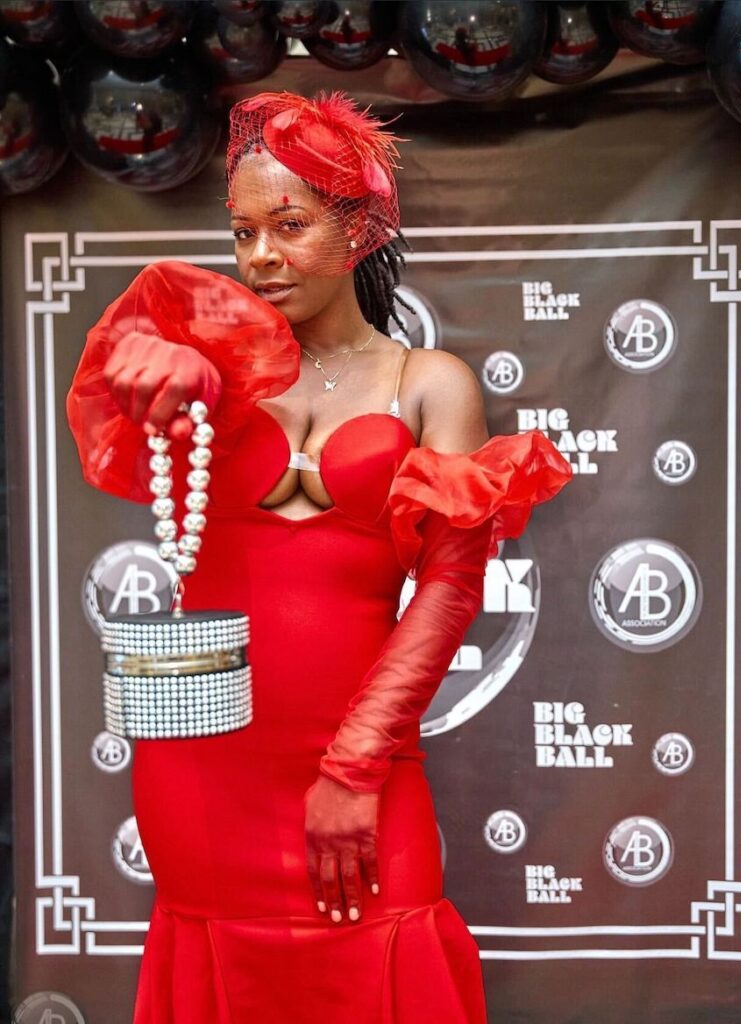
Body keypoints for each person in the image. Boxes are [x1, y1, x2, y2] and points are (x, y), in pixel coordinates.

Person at [66, 89, 572, 1023]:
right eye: (243, 232)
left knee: (386, 959)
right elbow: (120, 366)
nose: (261, 256)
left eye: (290, 226)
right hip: (205, 767)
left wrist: (353, 766)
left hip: (361, 760)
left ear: (362, 226)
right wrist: (154, 361)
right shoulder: (208, 364)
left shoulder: (428, 384)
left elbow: (451, 592)